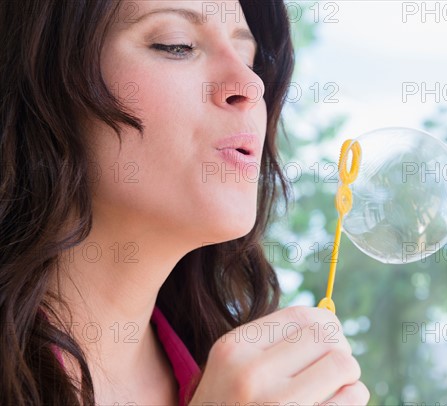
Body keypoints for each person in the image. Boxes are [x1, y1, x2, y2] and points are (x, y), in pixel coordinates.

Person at [0, 1, 371, 405]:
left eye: (249, 58)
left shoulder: (230, 381)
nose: (250, 85)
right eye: (175, 45)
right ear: (44, 86)